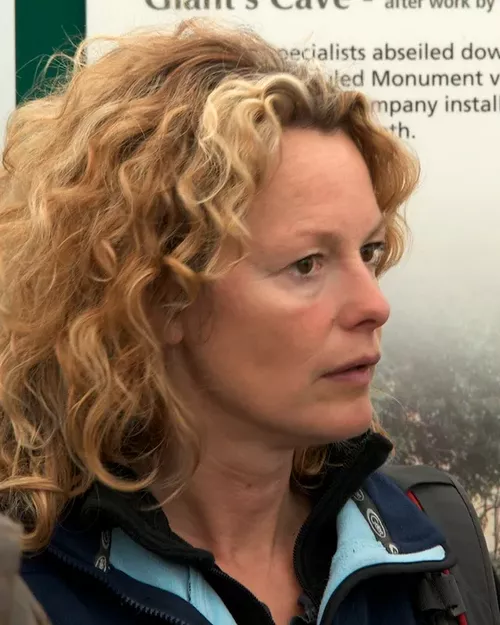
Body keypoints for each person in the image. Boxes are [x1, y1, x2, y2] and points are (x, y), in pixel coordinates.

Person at [0, 18, 493, 625]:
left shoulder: (431, 547)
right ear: (158, 299)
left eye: (368, 251)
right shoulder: (30, 589)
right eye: (306, 264)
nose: (375, 305)